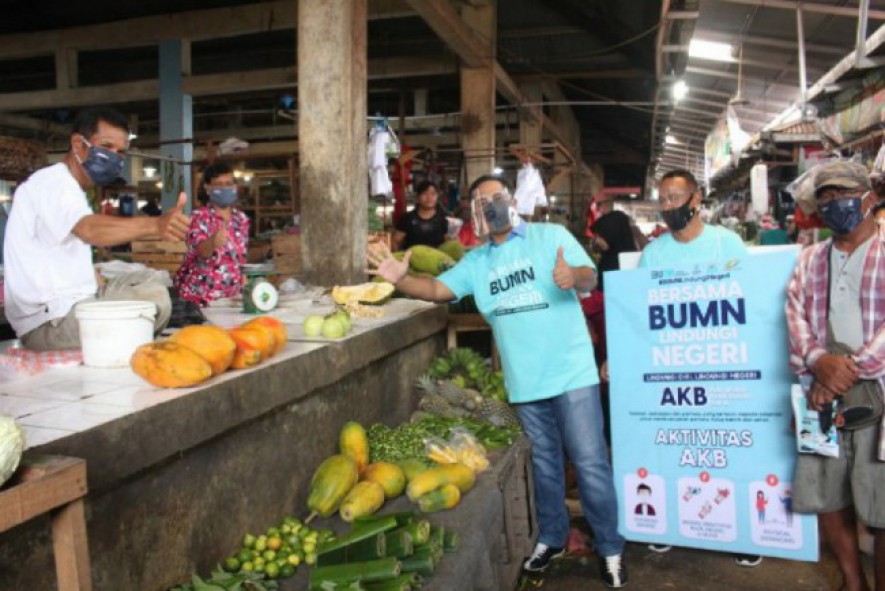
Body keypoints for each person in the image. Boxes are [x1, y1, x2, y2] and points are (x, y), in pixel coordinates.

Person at [368, 174, 627, 588]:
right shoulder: (476, 261)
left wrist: (571, 277)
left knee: (590, 462)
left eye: (496, 197)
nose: (490, 205)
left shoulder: (549, 236)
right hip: (525, 383)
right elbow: (436, 288)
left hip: (572, 372)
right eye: (480, 201)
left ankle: (612, 547)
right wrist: (398, 277)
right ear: (474, 213)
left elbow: (590, 276)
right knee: (543, 464)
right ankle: (553, 537)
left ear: (511, 201)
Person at [636, 169, 761, 567]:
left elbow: (750, 299)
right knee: (677, 450)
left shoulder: (727, 242)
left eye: (675, 197)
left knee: (728, 450)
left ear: (695, 198)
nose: (668, 206)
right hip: (675, 369)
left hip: (721, 367)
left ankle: (742, 532)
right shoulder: (654, 254)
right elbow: (641, 312)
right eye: (663, 199)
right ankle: (671, 524)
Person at [3, 107, 190, 351]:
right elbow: (88, 229)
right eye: (107, 147)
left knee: (152, 280)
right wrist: (155, 224)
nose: (115, 157)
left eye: (121, 152)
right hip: (49, 324)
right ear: (78, 145)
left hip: (73, 305)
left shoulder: (72, 188)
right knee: (151, 298)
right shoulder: (52, 183)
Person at [785, 160, 885, 591]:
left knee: (881, 500)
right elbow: (795, 314)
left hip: (877, 388)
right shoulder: (809, 259)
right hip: (817, 394)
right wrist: (817, 362)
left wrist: (847, 370)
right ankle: (852, 580)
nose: (833, 203)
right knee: (824, 490)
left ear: (870, 198)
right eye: (824, 197)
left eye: (842, 193)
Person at [174, 163, 250, 307]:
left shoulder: (241, 219)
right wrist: (213, 241)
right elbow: (200, 251)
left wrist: (244, 281)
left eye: (228, 183)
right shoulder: (198, 217)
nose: (224, 188)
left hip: (232, 299)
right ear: (207, 188)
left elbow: (240, 257)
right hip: (202, 299)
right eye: (218, 184)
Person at [590, 197, 639, 290]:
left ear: (612, 235)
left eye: (600, 236)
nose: (597, 240)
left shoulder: (611, 266)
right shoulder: (632, 260)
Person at [391, 180, 449, 251]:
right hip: (412, 260)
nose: (429, 197)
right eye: (424, 194)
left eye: (433, 194)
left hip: (438, 260)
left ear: (437, 197)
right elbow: (395, 241)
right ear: (417, 198)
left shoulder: (442, 218)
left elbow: (448, 242)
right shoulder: (408, 218)